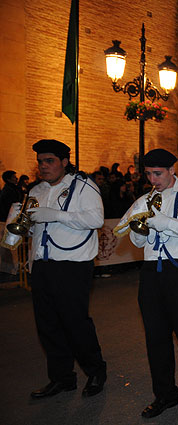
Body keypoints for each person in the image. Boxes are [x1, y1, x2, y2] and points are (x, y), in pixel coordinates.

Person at [2, 139, 107, 398]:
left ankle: (95, 371)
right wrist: (15, 222)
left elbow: (96, 219)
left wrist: (56, 215)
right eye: (40, 161)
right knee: (47, 325)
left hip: (72, 265)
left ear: (64, 162)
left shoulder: (83, 186)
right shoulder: (35, 191)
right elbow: (16, 239)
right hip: (42, 264)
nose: (43, 166)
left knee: (75, 322)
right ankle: (62, 378)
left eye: (49, 161)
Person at [114, 149, 178, 417]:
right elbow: (137, 242)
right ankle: (165, 395)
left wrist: (163, 222)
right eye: (148, 174)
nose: (152, 179)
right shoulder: (145, 199)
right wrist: (138, 229)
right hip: (150, 272)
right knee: (155, 337)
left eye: (157, 174)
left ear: (171, 170)